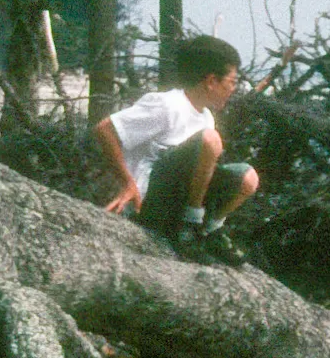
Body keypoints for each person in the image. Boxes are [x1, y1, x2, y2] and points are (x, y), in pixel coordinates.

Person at [92, 33, 259, 263]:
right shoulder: (168, 105)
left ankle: (209, 231)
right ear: (211, 81)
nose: (233, 89)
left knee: (247, 177)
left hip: (176, 203)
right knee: (210, 140)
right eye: (232, 82)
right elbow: (105, 129)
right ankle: (190, 226)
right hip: (150, 203)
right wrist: (128, 183)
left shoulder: (206, 117)